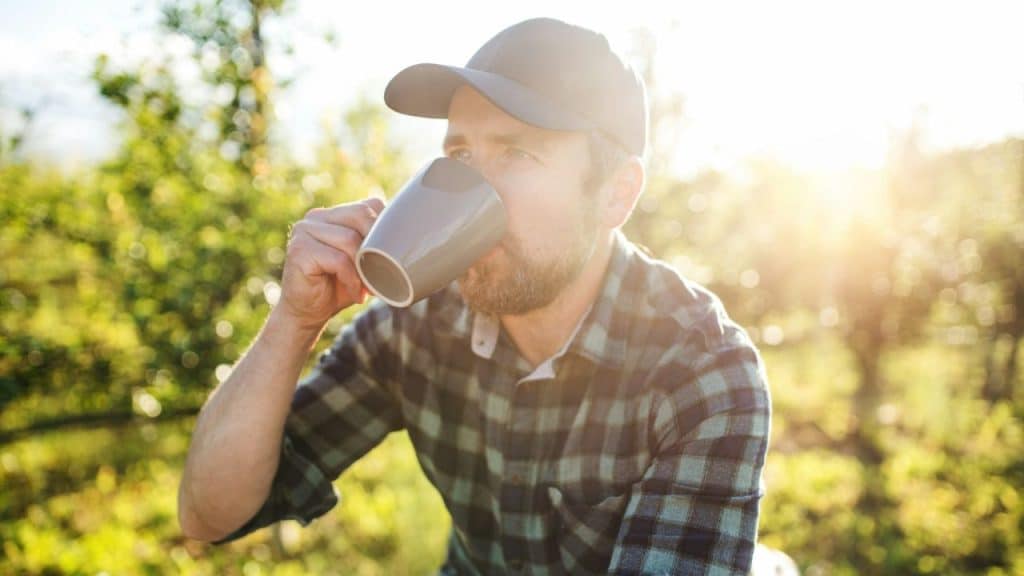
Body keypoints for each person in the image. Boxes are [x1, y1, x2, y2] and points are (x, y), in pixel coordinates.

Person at [178, 16, 772, 575]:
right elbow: (210, 514)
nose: (471, 185)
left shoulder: (702, 370)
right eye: (460, 154)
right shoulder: (414, 327)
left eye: (517, 152)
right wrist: (294, 320)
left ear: (616, 195)